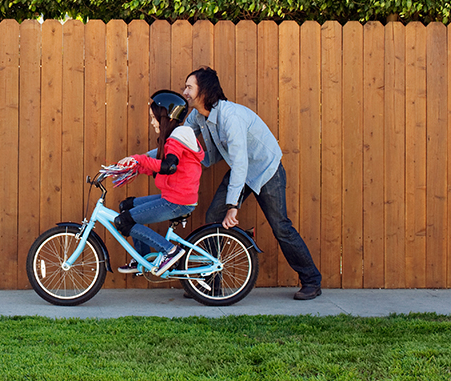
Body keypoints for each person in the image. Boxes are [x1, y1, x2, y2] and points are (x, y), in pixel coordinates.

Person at [182, 67, 323, 300]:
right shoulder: (197, 116)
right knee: (212, 218)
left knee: (281, 227)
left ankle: (311, 281)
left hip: (266, 171)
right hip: (241, 171)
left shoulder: (231, 118)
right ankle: (210, 282)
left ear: (204, 91)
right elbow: (181, 142)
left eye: (189, 87)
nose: (185, 92)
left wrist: (233, 207)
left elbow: (240, 164)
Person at [114, 90, 205, 276]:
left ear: (165, 117)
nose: (152, 122)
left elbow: (168, 166)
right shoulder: (174, 138)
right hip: (172, 196)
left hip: (178, 200)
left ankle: (170, 251)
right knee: (126, 207)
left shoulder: (178, 137)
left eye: (154, 118)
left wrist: (140, 160)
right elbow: (159, 167)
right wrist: (134, 167)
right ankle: (142, 259)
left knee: (124, 221)